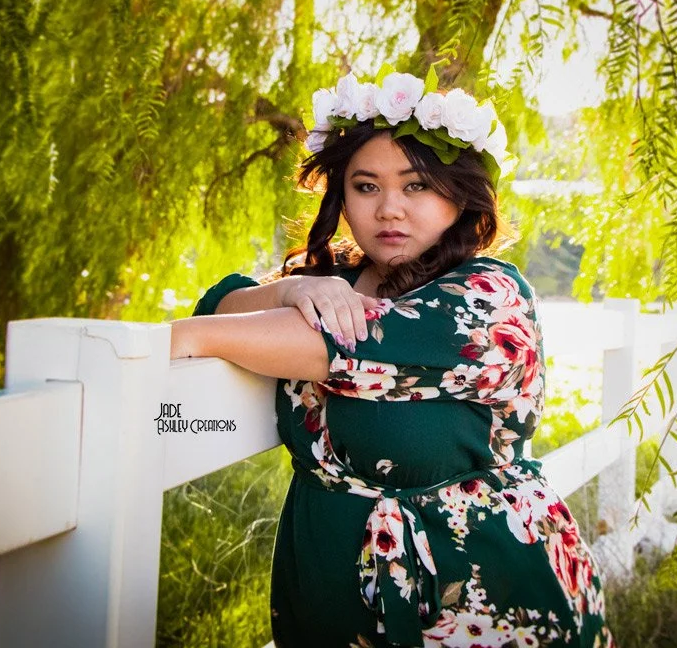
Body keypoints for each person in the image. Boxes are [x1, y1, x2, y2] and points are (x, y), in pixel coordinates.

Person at [169, 70, 615, 647]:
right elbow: (221, 305)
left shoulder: (491, 297)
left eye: (416, 186)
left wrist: (185, 336)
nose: (389, 210)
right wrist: (286, 291)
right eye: (366, 186)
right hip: (329, 584)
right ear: (342, 195)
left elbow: (339, 344)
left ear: (458, 196)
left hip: (478, 590)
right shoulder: (335, 281)